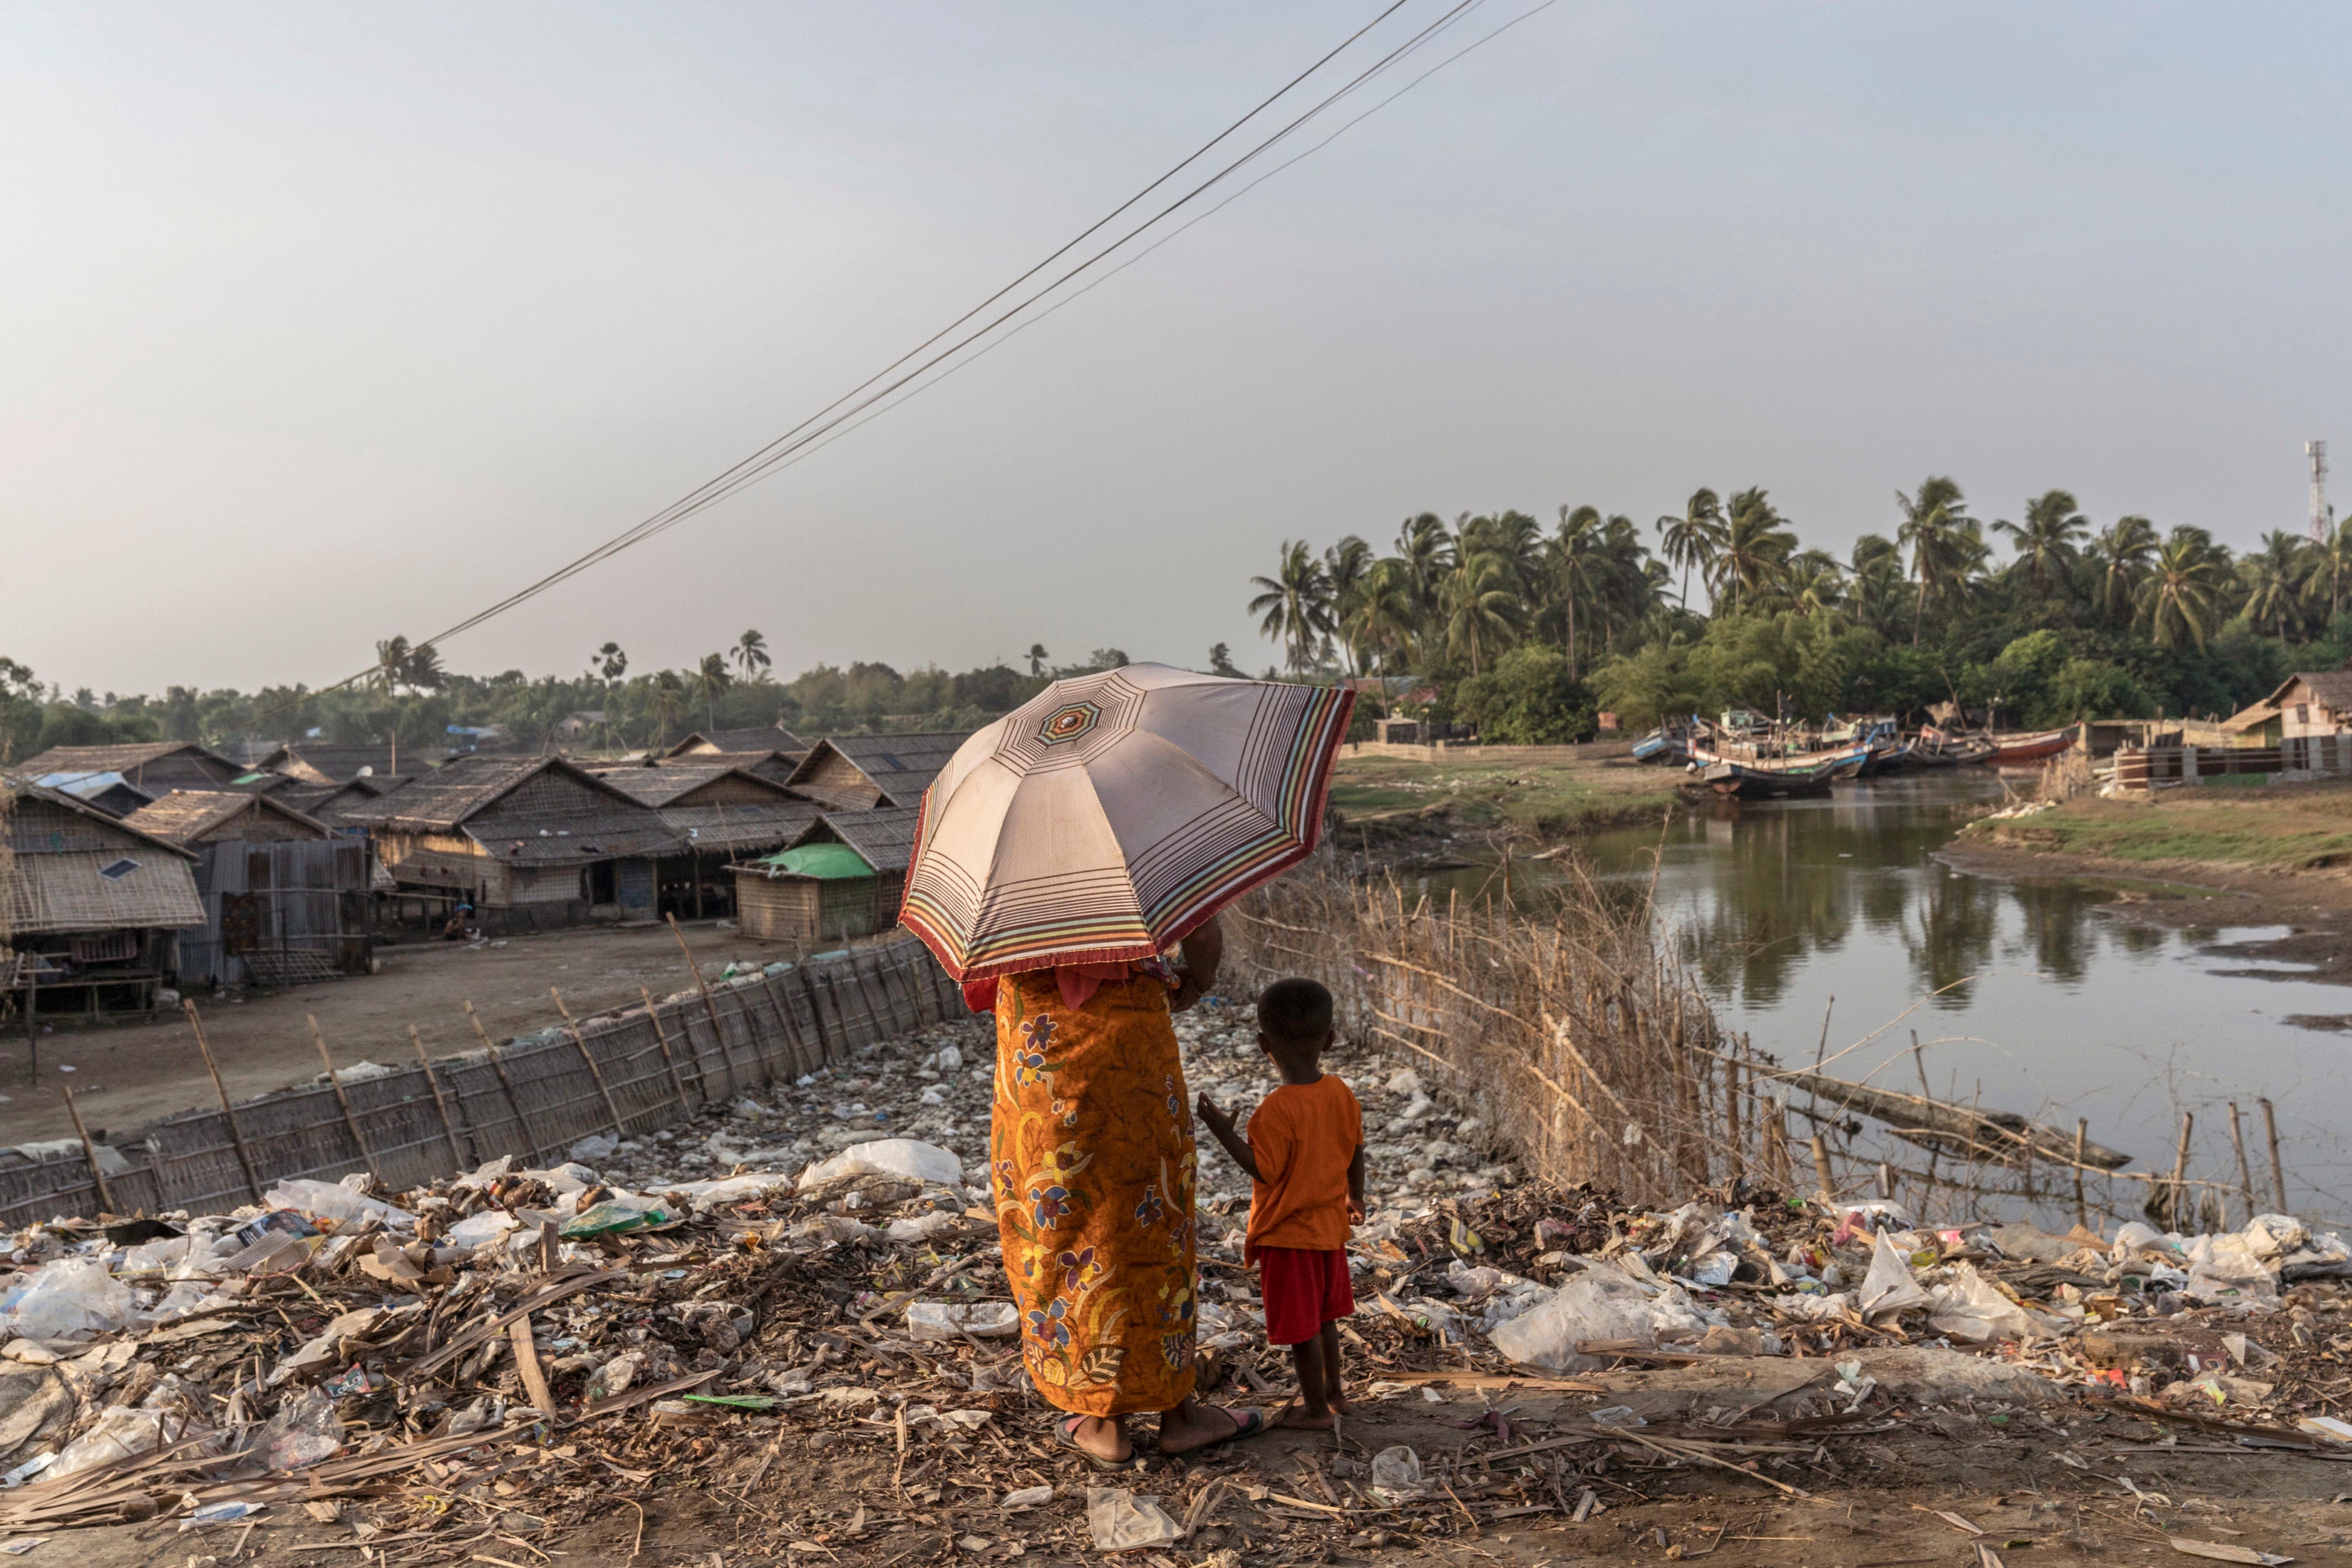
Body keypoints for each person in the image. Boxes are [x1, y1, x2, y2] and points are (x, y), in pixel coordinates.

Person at [980, 912, 1265, 1465]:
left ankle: (1102, 1420)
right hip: (1129, 1043)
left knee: (1066, 1221)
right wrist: (1196, 981)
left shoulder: (1008, 863)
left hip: (1039, 1052)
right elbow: (1201, 932)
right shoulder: (1130, 836)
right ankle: (1177, 1413)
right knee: (1148, 1220)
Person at [1195, 976, 1365, 1431]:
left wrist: (1223, 1132)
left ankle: (1313, 1413)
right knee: (1326, 1319)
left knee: (1302, 1330)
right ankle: (1335, 1396)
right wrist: (1356, 1196)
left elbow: (1265, 1170)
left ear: (1262, 1043)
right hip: (1329, 1233)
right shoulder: (1341, 1093)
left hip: (1288, 1238)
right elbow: (1355, 1149)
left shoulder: (1275, 1109)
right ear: (1329, 1039)